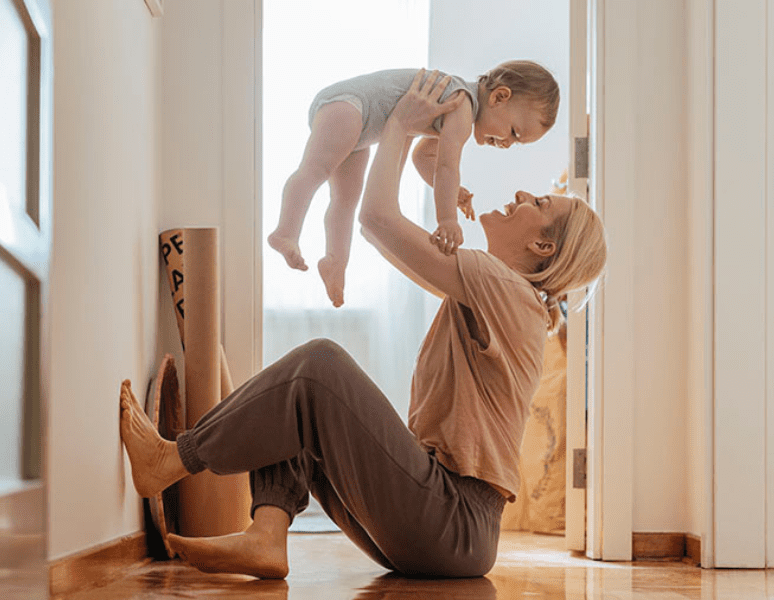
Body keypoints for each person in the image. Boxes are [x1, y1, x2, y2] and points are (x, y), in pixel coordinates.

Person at [120, 70, 606, 580]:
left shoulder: (502, 288)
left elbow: (376, 220)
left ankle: (173, 460)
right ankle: (266, 535)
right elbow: (393, 211)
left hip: (453, 521)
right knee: (298, 403)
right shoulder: (502, 296)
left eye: (540, 204)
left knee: (318, 367)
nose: (525, 193)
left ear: (543, 247)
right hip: (446, 527)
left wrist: (398, 125)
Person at [267, 60, 560, 307]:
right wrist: (447, 219)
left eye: (516, 143)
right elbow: (447, 166)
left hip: (362, 126)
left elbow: (426, 159)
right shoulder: (462, 104)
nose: (507, 144)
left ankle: (335, 261)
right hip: (348, 106)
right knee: (314, 171)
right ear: (499, 97)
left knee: (345, 199)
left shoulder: (456, 108)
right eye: (513, 133)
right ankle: (285, 232)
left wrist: (452, 192)